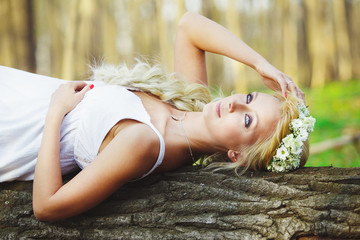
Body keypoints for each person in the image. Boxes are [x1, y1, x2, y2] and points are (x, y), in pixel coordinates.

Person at [0, 12, 314, 221]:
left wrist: (55, 112)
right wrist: (261, 65)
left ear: (238, 155)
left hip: (15, 129)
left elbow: (47, 206)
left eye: (248, 120)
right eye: (248, 98)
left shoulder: (145, 143)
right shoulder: (190, 102)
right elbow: (189, 25)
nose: (234, 105)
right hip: (19, 89)